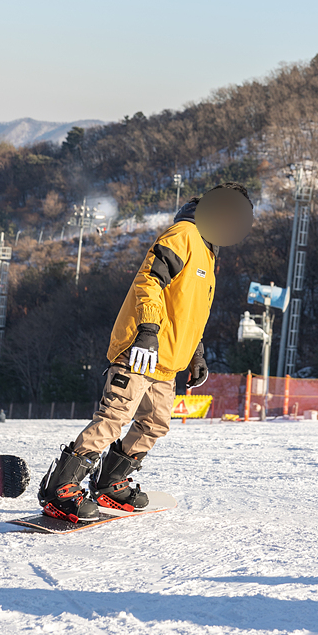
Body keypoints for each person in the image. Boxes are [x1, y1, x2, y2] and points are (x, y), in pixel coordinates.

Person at [39, 182, 254, 523]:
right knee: (114, 419)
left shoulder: (208, 252)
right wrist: (148, 331)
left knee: (155, 424)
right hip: (142, 350)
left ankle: (110, 482)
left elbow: (190, 311)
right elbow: (148, 283)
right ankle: (60, 488)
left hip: (168, 360)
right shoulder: (183, 234)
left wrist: (196, 352)